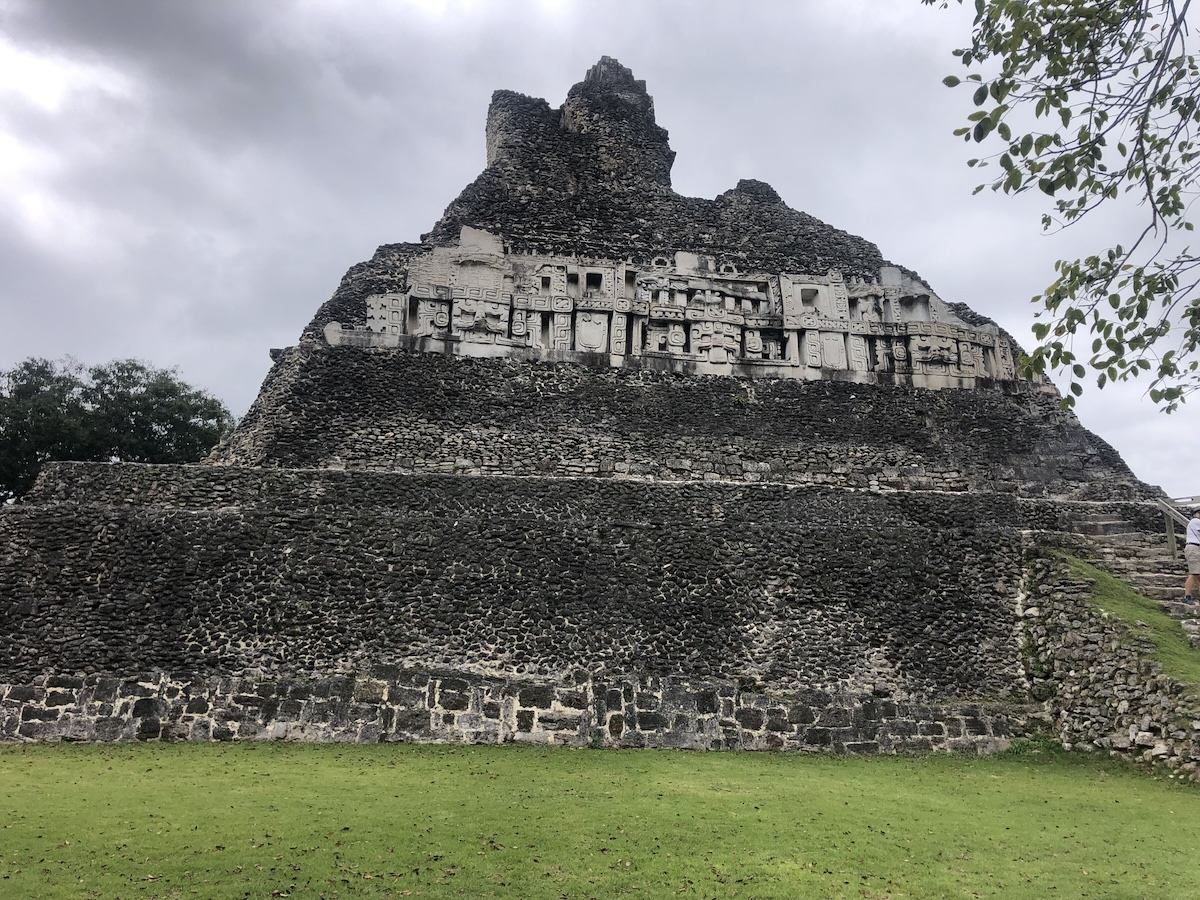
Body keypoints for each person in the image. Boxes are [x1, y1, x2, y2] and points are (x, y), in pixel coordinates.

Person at [1185, 509, 1200, 604]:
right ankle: (1187, 596)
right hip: (1193, 548)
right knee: (1194, 573)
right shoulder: (1196, 521)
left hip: (1196, 547)